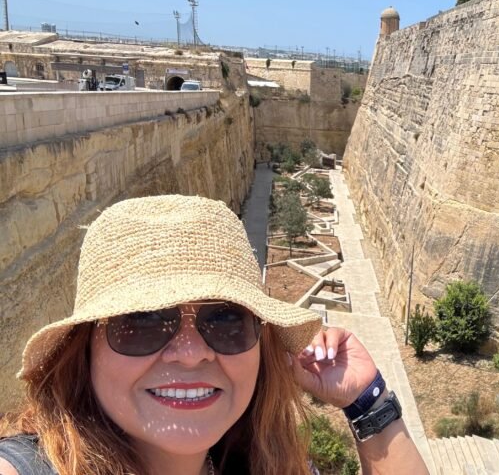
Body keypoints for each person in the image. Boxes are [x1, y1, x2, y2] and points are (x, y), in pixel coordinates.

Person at [0, 195, 429, 475]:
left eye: (225, 321)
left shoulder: (269, 465)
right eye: (144, 321)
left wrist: (366, 401)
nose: (191, 353)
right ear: (83, 350)